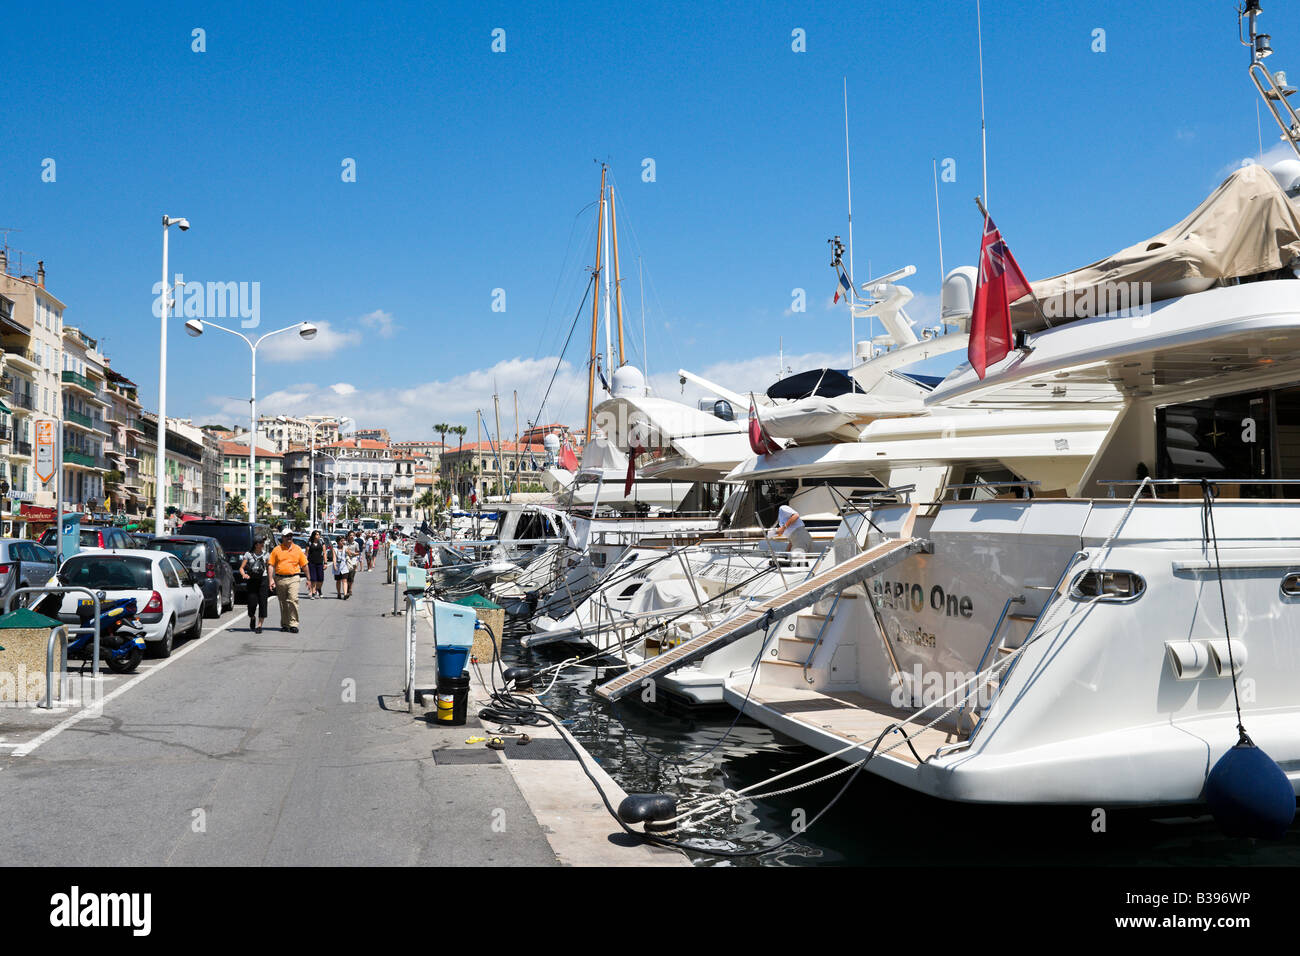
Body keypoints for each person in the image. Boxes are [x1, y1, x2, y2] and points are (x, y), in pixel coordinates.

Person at [268, 530, 308, 632]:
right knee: (283, 602)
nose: (289, 537)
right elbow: (271, 565)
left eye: (290, 535)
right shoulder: (277, 550)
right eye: (287, 536)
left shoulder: (298, 549)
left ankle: (293, 623)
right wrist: (270, 580)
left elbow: (304, 565)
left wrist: (309, 578)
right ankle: (285, 624)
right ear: (282, 537)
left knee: (293, 599)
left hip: (293, 577)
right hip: (280, 578)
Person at [238, 537, 270, 633]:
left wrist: (271, 580)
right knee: (251, 604)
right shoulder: (248, 554)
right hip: (252, 580)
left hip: (263, 580)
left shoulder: (266, 554)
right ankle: (252, 617)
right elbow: (241, 568)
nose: (262, 544)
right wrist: (244, 574)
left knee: (263, 603)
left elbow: (269, 567)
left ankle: (259, 626)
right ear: (256, 544)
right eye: (261, 543)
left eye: (263, 543)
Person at [306, 530, 327, 599]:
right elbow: (306, 554)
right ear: (314, 535)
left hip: (320, 563)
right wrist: (305, 563)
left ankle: (319, 589)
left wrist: (325, 563)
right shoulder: (309, 543)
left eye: (319, 534)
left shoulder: (321, 542)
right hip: (311, 563)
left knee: (321, 579)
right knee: (313, 579)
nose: (318, 536)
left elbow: (324, 553)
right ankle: (313, 593)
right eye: (317, 534)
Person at [332, 533, 350, 599]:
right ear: (338, 542)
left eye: (343, 540)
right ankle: (339, 593)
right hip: (337, 566)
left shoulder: (345, 548)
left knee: (344, 580)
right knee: (338, 580)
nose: (343, 542)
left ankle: (345, 594)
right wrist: (334, 565)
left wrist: (351, 552)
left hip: (344, 566)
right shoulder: (334, 549)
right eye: (341, 541)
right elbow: (334, 557)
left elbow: (350, 554)